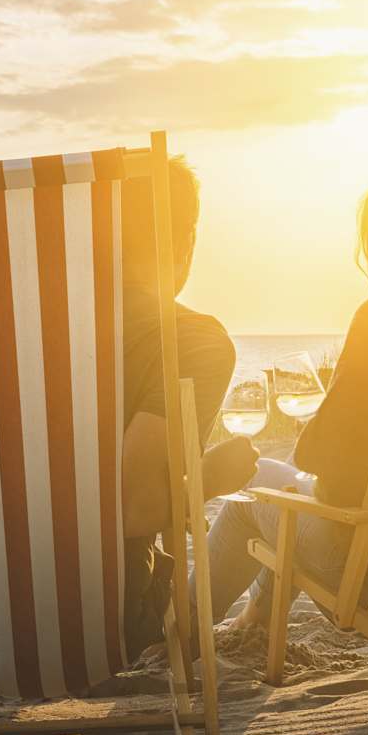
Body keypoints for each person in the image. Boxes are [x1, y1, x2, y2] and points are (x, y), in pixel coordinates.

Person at [201, 159, 368, 631]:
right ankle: (256, 621)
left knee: (258, 489)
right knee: (277, 482)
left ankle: (184, 632)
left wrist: (316, 432)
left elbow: (328, 468)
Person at [117, 157, 258, 659]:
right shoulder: (191, 340)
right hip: (106, 620)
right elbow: (135, 506)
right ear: (187, 241)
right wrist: (212, 478)